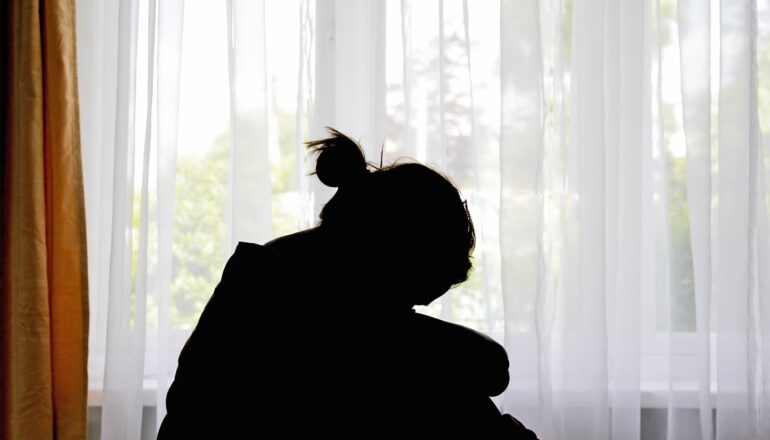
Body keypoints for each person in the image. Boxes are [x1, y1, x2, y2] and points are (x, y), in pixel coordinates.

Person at [157, 128, 538, 438]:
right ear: (393, 254)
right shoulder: (295, 302)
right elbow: (489, 367)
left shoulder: (276, 277)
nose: (408, 311)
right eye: (410, 296)